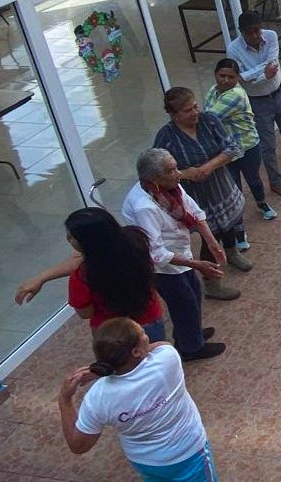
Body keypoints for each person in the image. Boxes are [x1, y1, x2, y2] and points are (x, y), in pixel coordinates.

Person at [57, 318, 219, 479]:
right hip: (190, 453)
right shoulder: (167, 360)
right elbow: (162, 345)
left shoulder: (97, 397)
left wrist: (65, 399)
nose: (146, 334)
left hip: (146, 462)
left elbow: (78, 445)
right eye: (142, 333)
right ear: (136, 352)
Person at [122, 149, 226, 361]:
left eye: (176, 167)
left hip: (179, 254)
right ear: (154, 179)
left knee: (192, 294)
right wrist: (197, 264)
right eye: (172, 170)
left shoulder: (170, 187)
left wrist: (211, 241)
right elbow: (157, 253)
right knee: (184, 301)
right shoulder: (144, 207)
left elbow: (193, 211)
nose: (178, 174)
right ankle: (191, 348)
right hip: (163, 266)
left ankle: (189, 335)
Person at [154, 87, 253, 296]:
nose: (194, 113)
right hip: (196, 196)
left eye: (195, 106)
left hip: (221, 184)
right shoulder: (166, 137)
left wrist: (208, 167)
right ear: (174, 115)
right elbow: (157, 170)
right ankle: (211, 283)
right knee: (210, 235)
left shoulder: (210, 121)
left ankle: (232, 253)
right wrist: (184, 174)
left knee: (230, 222)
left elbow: (232, 147)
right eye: (187, 110)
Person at [14, 208, 166, 342]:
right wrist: (43, 277)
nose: (68, 240)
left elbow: (85, 313)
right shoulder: (136, 242)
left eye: (71, 237)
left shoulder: (81, 277)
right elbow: (93, 259)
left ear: (89, 242)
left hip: (113, 334)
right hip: (150, 319)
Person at [227, 10, 281, 198]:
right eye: (249, 33)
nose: (255, 36)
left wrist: (254, 74)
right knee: (267, 144)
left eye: (257, 31)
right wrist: (262, 74)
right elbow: (240, 77)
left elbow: (272, 62)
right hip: (257, 101)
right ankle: (276, 182)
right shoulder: (233, 49)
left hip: (280, 92)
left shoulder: (271, 36)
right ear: (241, 32)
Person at [204, 58, 277, 223]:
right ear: (215, 74)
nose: (225, 80)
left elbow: (210, 117)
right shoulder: (212, 91)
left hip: (247, 146)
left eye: (231, 77)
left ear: (237, 78)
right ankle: (238, 225)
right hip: (226, 151)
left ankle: (262, 204)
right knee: (233, 187)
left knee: (253, 179)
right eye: (222, 75)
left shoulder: (236, 94)